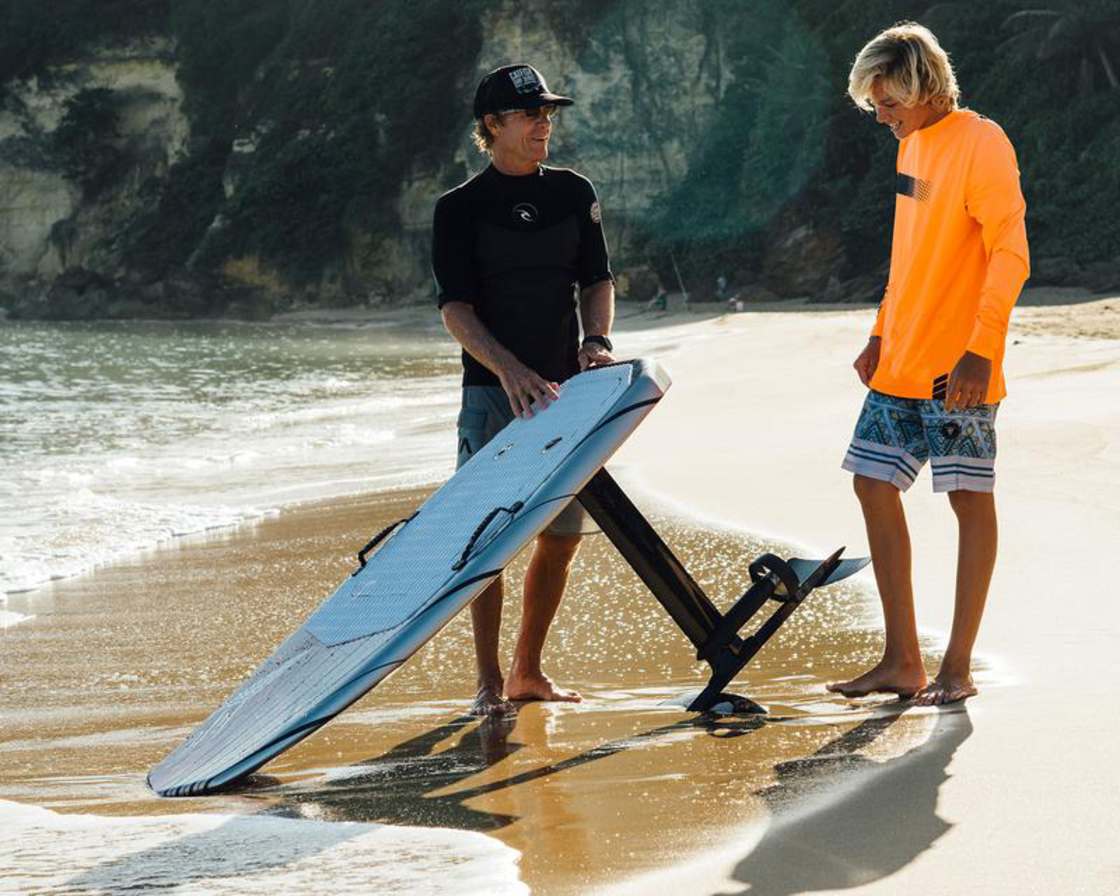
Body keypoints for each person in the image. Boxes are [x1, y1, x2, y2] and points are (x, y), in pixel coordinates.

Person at [829, 23, 1029, 705]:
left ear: (926, 87)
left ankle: (958, 666)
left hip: (958, 369)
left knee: (968, 499)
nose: (882, 119)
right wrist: (880, 333)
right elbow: (909, 253)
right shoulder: (913, 146)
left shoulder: (983, 142)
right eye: (875, 106)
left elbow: (1010, 252)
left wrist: (983, 348)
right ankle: (903, 660)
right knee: (871, 481)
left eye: (889, 104)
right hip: (903, 358)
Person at [431, 64, 616, 715]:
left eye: (547, 114)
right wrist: (508, 369)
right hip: (492, 397)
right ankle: (486, 680)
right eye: (530, 114)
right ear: (492, 125)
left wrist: (596, 342)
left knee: (561, 535)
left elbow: (597, 279)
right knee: (488, 543)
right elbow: (456, 309)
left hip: (567, 397)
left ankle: (527, 671)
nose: (544, 124)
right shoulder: (459, 209)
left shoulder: (573, 193)